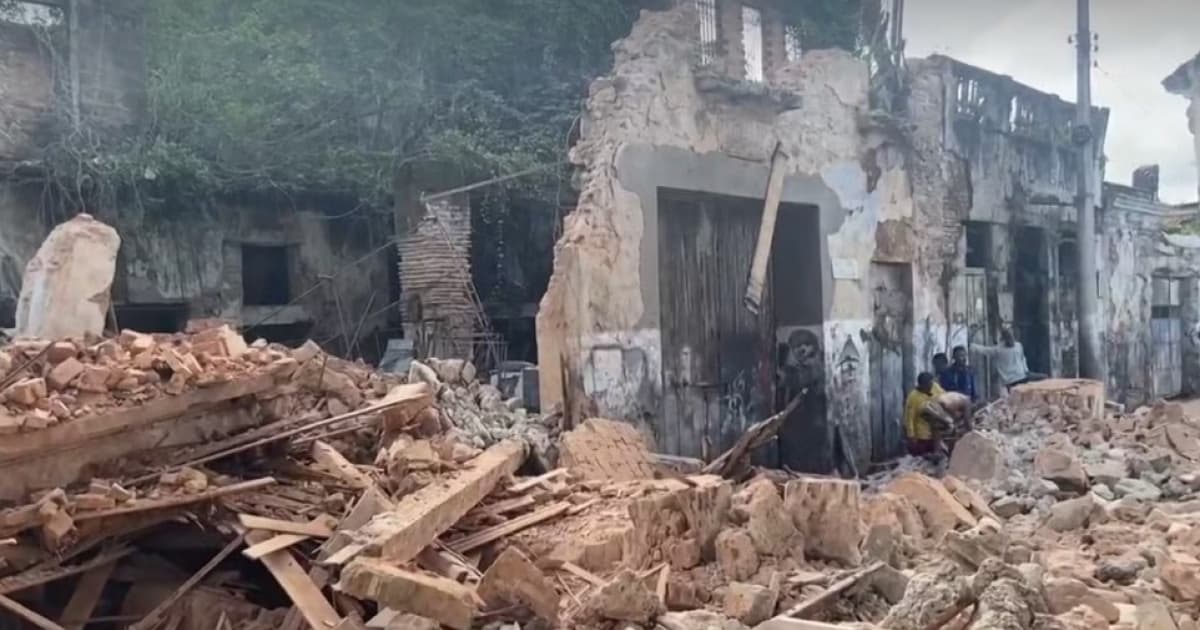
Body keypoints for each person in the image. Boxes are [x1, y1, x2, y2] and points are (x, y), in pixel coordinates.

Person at [975, 329, 1044, 390]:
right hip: (1021, 375)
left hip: (1009, 380)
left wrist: (973, 346)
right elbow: (1023, 358)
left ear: (1002, 339)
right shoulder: (1018, 345)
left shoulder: (999, 349)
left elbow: (985, 350)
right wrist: (1026, 370)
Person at [903, 372, 944, 457]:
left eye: (931, 385)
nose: (930, 388)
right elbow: (909, 418)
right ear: (921, 385)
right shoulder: (913, 397)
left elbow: (944, 396)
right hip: (922, 435)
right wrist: (911, 437)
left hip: (936, 430)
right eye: (927, 386)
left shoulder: (935, 387)